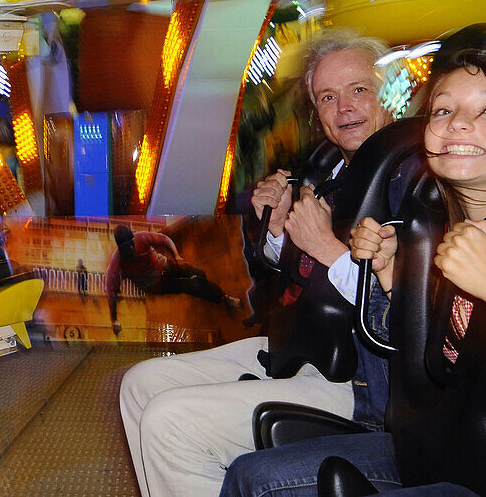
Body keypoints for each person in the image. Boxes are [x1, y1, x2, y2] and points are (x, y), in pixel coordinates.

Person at [220, 51, 486, 496]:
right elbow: (430, 354)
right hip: (445, 443)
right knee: (250, 476)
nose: (458, 123)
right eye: (444, 110)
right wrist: (388, 276)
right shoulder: (434, 222)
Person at [120, 29, 393, 496]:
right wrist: (277, 228)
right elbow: (296, 267)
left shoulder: (415, 175)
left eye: (359, 90)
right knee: (140, 384)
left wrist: (326, 247)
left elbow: (408, 315)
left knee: (171, 422)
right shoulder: (333, 169)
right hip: (301, 349)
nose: (343, 107)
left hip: (358, 382)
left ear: (392, 94)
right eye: (328, 97)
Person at [106, 225, 242, 334]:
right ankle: (224, 298)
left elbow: (165, 239)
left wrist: (176, 256)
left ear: (133, 240)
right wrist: (114, 321)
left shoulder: (141, 237)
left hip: (164, 265)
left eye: (132, 244)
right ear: (120, 247)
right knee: (192, 284)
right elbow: (111, 294)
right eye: (126, 247)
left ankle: (206, 288)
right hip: (157, 284)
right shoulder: (116, 264)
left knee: (196, 272)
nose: (131, 249)